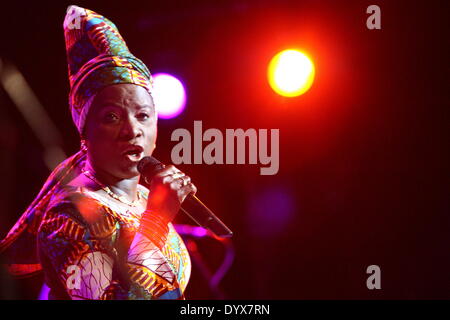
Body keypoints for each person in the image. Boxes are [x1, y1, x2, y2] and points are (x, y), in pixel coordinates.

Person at [0, 5, 195, 300]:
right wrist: (156, 220)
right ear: (84, 130)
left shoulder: (146, 199)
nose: (132, 130)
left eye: (142, 115)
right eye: (111, 117)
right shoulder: (67, 215)